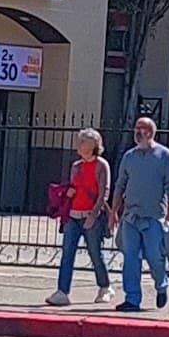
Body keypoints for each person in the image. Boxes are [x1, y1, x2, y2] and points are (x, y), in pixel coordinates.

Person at [112, 117, 169, 311]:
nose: (138, 132)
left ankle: (161, 285)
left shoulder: (164, 156)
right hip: (130, 216)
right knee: (130, 258)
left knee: (155, 256)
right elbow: (120, 184)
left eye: (142, 129)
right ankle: (132, 299)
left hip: (153, 217)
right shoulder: (129, 156)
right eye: (136, 128)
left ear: (151, 132)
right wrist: (114, 211)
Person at [45, 129, 114, 307]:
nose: (79, 145)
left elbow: (103, 193)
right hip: (73, 215)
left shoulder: (101, 165)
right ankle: (62, 291)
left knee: (95, 253)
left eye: (83, 141)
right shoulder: (76, 166)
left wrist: (94, 214)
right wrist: (68, 193)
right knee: (67, 253)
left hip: (91, 216)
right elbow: (73, 186)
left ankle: (105, 287)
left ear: (93, 145)